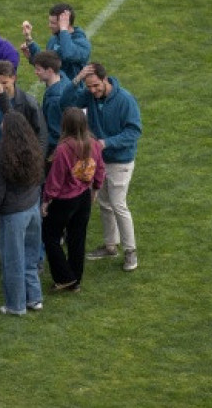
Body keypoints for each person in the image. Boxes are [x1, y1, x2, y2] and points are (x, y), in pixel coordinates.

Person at [61, 63, 142, 271]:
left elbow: (134, 131)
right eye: (89, 86)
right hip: (98, 159)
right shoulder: (89, 95)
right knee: (104, 203)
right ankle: (110, 245)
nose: (93, 90)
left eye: (96, 85)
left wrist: (107, 143)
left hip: (120, 160)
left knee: (118, 204)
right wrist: (77, 79)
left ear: (105, 79)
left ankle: (130, 251)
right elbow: (65, 104)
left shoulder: (125, 100)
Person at [0, 112, 45, 315]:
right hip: (32, 207)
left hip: (14, 214)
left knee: (13, 261)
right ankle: (34, 298)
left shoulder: (0, 154)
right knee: (31, 256)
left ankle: (16, 305)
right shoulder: (33, 146)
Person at [42, 107, 106, 292]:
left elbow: (56, 179)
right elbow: (100, 168)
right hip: (83, 197)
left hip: (64, 200)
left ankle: (65, 278)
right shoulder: (94, 144)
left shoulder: (63, 149)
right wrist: (95, 188)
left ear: (65, 125)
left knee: (50, 237)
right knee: (77, 238)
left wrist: (46, 200)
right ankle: (75, 280)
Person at [0, 60, 47, 200]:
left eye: (5, 83)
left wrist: (37, 162)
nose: (1, 87)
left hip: (24, 159)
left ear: (14, 78)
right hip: (1, 158)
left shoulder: (29, 104)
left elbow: (41, 135)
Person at [20, 3, 91, 81]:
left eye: (53, 23)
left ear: (66, 23)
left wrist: (64, 30)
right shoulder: (54, 39)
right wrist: (29, 41)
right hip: (54, 87)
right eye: (50, 22)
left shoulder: (82, 43)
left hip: (73, 88)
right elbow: (47, 63)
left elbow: (68, 54)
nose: (49, 26)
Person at [30, 51, 65, 167]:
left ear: (50, 71)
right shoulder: (62, 78)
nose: (35, 72)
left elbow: (55, 133)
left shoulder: (54, 99)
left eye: (38, 69)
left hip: (53, 153)